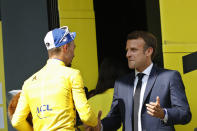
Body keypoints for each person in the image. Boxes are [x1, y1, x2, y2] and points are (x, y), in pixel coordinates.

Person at [99, 31, 192, 131]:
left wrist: (163, 113)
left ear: (148, 51)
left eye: (133, 50)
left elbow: (185, 114)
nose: (127, 54)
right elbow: (115, 118)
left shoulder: (169, 77)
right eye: (127, 50)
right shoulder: (121, 83)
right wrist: (99, 126)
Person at [11, 26, 99, 131]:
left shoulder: (28, 83)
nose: (74, 54)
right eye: (73, 48)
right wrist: (96, 122)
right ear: (65, 47)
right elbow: (86, 116)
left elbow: (17, 121)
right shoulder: (72, 74)